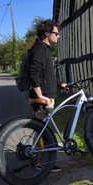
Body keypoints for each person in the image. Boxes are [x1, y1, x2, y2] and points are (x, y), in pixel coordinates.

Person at [28, 19, 66, 172]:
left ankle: (44, 161)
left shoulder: (45, 49)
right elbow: (34, 73)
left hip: (47, 96)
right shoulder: (40, 49)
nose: (58, 36)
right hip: (42, 98)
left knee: (44, 131)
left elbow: (47, 73)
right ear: (47, 33)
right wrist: (40, 96)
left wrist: (59, 84)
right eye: (56, 33)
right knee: (44, 132)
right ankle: (42, 163)